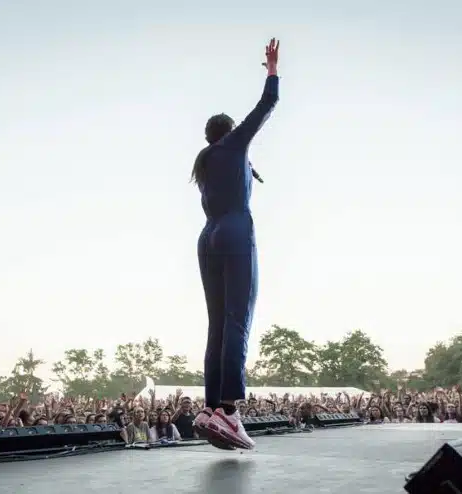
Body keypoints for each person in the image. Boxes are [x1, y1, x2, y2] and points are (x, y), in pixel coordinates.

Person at [191, 38, 280, 450]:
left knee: (216, 323)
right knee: (238, 317)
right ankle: (229, 410)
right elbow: (265, 108)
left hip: (207, 237)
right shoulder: (234, 145)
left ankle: (210, 406)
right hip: (235, 230)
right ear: (228, 132)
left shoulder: (207, 160)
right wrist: (272, 71)